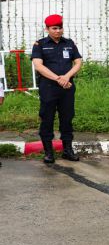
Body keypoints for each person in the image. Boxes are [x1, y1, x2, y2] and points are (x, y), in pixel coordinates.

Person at [31, 14, 82, 164]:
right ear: (47, 29)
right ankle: (48, 152)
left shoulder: (69, 43)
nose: (58, 31)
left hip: (67, 88)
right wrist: (59, 79)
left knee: (67, 118)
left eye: (60, 28)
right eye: (54, 28)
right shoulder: (39, 44)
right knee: (47, 118)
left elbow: (78, 62)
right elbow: (38, 66)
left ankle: (67, 150)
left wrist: (67, 77)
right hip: (48, 88)